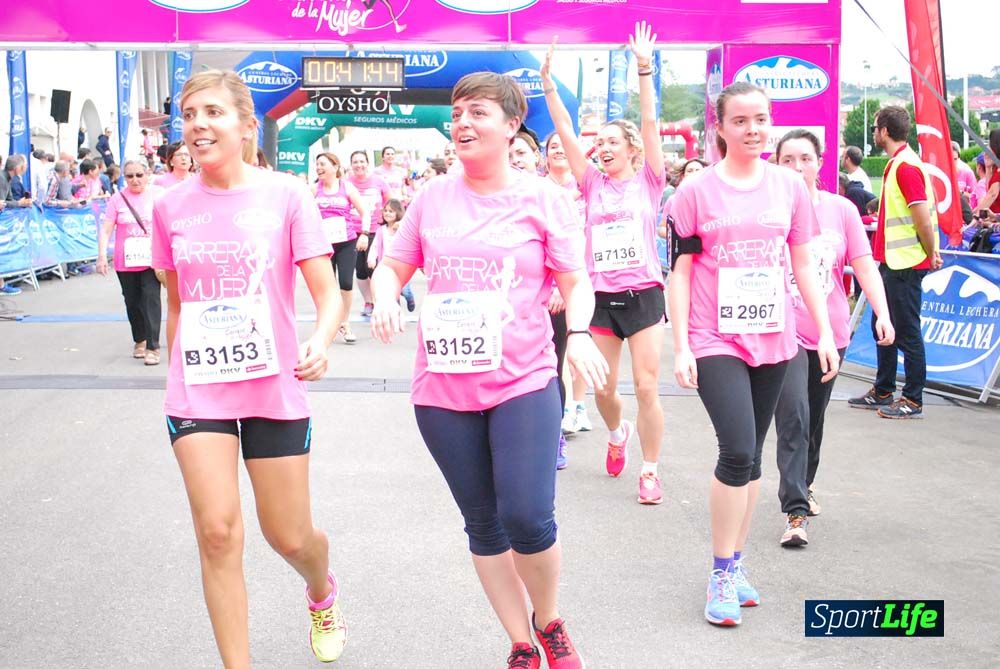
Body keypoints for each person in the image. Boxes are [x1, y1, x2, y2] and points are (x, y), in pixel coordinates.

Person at [371, 68, 607, 669]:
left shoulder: (544, 199)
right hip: (443, 389)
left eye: (478, 111)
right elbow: (394, 265)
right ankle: (520, 643)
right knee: (483, 522)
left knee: (527, 515)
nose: (463, 122)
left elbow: (576, 283)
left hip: (523, 379)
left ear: (510, 125)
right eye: (457, 113)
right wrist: (382, 294)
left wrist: (578, 333)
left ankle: (549, 619)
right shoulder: (432, 197)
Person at [149, 69, 347, 667]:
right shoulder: (169, 206)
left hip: (273, 389)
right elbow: (176, 300)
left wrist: (320, 338)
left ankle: (321, 589)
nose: (197, 126)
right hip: (199, 392)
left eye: (211, 112)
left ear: (244, 124)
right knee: (216, 534)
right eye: (188, 115)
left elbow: (328, 290)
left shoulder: (286, 194)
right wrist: (180, 368)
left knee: (289, 536)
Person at [669, 81, 839, 626]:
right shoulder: (694, 193)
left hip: (776, 336)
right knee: (738, 449)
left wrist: (826, 335)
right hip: (714, 336)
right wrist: (681, 346)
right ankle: (720, 572)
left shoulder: (789, 186)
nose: (753, 130)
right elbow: (681, 271)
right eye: (740, 121)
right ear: (719, 127)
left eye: (761, 119)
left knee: (756, 453)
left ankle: (737, 563)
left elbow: (804, 264)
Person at [542, 23, 667, 504]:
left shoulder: (649, 182)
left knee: (647, 385)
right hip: (601, 299)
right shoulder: (591, 183)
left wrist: (643, 69)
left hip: (644, 296)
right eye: (603, 143)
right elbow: (566, 132)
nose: (606, 147)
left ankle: (651, 471)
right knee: (603, 390)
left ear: (633, 149)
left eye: (616, 141)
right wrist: (549, 83)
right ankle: (619, 435)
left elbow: (652, 122)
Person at [772, 129, 894, 547]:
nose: (796, 168)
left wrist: (882, 311)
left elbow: (863, 265)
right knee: (793, 416)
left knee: (814, 418)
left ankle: (804, 484)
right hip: (781, 331)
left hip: (830, 332)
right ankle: (795, 511)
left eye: (804, 159)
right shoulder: (768, 210)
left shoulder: (841, 210)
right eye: (787, 160)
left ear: (819, 162)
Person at [847, 105, 942, 419]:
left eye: (875, 127)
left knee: (906, 331)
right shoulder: (900, 164)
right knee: (881, 326)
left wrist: (930, 253)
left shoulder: (905, 166)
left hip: (906, 263)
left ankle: (912, 398)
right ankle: (884, 388)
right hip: (894, 261)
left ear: (885, 131)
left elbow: (921, 220)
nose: (874, 133)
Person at [508, 129, 572, 469]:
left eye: (521, 153)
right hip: (510, 307)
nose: (516, 160)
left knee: (550, 371)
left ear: (537, 157)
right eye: (510, 154)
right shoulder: (499, 197)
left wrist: (562, 290)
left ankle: (554, 434)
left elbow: (572, 258)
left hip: (552, 302)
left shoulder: (553, 196)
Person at [543, 132, 594, 440]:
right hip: (547, 288)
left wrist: (571, 288)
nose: (559, 151)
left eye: (565, 146)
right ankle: (554, 422)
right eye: (553, 147)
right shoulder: (537, 190)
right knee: (552, 357)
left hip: (580, 282)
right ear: (545, 155)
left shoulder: (587, 189)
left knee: (579, 345)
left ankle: (578, 404)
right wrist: (553, 288)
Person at [96, 160, 164, 365]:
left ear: (147, 175)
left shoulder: (159, 195)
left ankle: (153, 346)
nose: (135, 180)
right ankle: (140, 339)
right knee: (132, 300)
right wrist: (101, 256)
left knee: (151, 298)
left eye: (139, 175)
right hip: (125, 260)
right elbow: (106, 229)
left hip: (152, 258)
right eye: (130, 176)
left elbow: (169, 225)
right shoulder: (117, 199)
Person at [314, 151, 367, 344]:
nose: (319, 168)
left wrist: (365, 234)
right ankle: (325, 324)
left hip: (346, 242)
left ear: (335, 167)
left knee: (345, 283)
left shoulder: (347, 187)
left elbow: (365, 212)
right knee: (325, 287)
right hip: (323, 245)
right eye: (317, 165)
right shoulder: (313, 190)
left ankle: (345, 323)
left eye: (323, 164)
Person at [347, 150, 391, 318]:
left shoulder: (379, 182)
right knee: (360, 270)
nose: (359, 165)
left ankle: (381, 300)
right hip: (352, 231)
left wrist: (390, 224)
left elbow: (391, 203)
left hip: (375, 230)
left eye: (362, 161)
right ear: (351, 165)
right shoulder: (346, 183)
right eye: (355, 162)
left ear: (367, 163)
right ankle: (368, 302)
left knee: (374, 267)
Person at [366, 198, 415, 312]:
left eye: (391, 211)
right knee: (391, 291)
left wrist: (401, 225)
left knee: (404, 290)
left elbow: (410, 224)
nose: (387, 213)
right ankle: (395, 313)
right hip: (387, 266)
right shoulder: (381, 230)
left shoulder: (403, 228)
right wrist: (371, 258)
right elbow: (375, 246)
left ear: (398, 213)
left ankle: (409, 297)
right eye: (386, 211)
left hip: (402, 266)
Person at [975, 129, 1000, 215]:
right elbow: (989, 190)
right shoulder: (996, 168)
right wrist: (988, 167)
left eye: (990, 144)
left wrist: (976, 215)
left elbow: (992, 194)